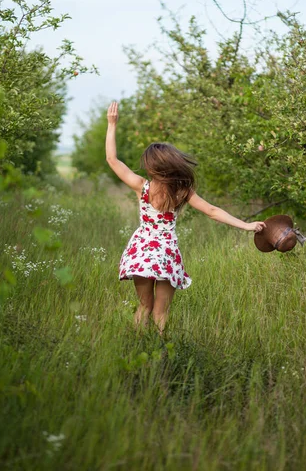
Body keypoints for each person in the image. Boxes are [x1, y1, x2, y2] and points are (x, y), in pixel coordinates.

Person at [106, 100, 266, 334]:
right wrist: (246, 225)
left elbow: (112, 160)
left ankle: (137, 349)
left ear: (152, 167)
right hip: (166, 253)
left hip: (141, 250)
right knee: (161, 313)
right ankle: (160, 354)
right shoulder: (182, 192)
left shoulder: (142, 187)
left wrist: (112, 125)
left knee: (144, 307)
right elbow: (212, 211)